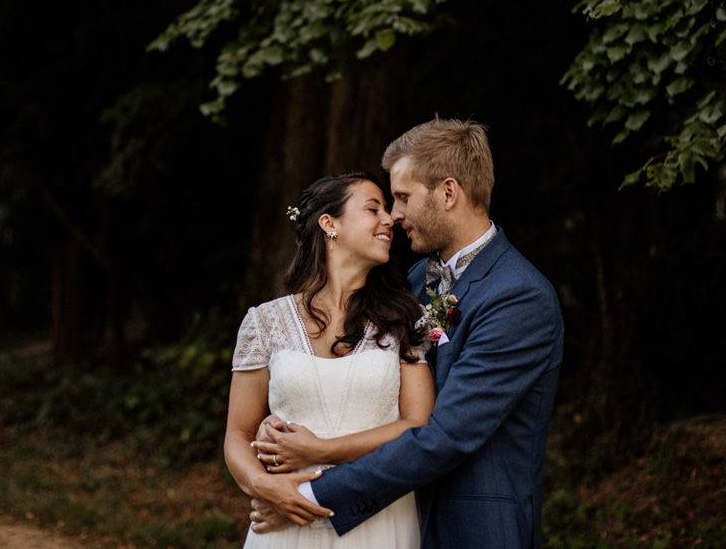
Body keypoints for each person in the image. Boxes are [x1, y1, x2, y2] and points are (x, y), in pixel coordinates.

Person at [252, 118, 565, 549]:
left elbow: (445, 435)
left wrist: (309, 493)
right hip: (396, 519)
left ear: (448, 193)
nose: (395, 216)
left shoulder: (519, 297)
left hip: (475, 529)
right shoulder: (416, 283)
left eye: (402, 197)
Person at [225, 171, 437, 548]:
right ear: (329, 224)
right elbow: (238, 434)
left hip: (379, 519)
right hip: (287, 519)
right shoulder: (265, 322)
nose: (389, 219)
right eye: (373, 209)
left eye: (387, 210)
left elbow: (417, 424)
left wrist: (318, 450)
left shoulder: (405, 318)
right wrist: (265, 485)